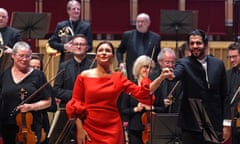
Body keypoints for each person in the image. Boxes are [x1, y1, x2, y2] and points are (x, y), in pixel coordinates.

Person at [66, 41, 170, 144]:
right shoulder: (84, 76)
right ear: (96, 55)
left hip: (112, 128)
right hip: (89, 127)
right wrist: (80, 129)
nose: (104, 53)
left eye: (107, 50)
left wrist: (160, 78)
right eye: (100, 50)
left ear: (113, 56)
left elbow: (142, 93)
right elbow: (76, 104)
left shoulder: (118, 77)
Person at [167, 29, 231, 144]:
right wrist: (170, 75)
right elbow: (175, 74)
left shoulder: (218, 64)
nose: (195, 46)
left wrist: (226, 124)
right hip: (191, 125)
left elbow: (225, 95)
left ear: (205, 44)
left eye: (198, 43)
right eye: (192, 43)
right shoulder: (183, 63)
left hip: (213, 123)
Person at [0, 41, 51, 144]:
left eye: (27, 56)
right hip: (7, 126)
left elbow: (48, 101)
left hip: (31, 126)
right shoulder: (3, 75)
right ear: (13, 56)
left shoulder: (38, 75)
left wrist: (31, 107)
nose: (24, 59)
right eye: (21, 56)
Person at [50, 34, 94, 143]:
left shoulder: (94, 66)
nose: (79, 47)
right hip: (67, 112)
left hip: (88, 112)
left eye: (82, 44)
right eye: (76, 44)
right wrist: (76, 95)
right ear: (71, 47)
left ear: (87, 47)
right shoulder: (63, 66)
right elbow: (56, 90)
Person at [119, 55, 156, 144]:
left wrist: (151, 108)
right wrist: (135, 109)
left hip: (153, 128)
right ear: (138, 67)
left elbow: (162, 108)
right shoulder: (130, 86)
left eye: (150, 68)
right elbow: (122, 110)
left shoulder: (155, 85)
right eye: (145, 67)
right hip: (135, 128)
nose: (148, 70)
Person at [116, 13, 161, 81]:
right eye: (138, 21)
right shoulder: (127, 35)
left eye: (142, 21)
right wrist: (120, 62)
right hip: (131, 71)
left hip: (149, 73)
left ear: (148, 23)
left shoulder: (156, 38)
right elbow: (119, 51)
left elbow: (158, 56)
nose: (140, 24)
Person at [30, 55, 57, 144]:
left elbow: (53, 107)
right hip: (23, 123)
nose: (36, 70)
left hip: (41, 124)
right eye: (32, 67)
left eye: (38, 67)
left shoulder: (45, 85)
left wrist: (39, 104)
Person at [151, 48, 183, 113]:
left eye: (173, 62)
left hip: (175, 113)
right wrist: (161, 103)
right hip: (157, 114)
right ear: (160, 62)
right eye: (167, 62)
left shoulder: (178, 76)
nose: (170, 65)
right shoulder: (153, 76)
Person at [226, 42, 240, 144]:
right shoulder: (228, 75)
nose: (231, 60)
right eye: (230, 57)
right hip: (233, 124)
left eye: (234, 57)